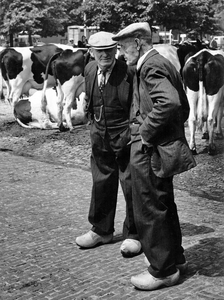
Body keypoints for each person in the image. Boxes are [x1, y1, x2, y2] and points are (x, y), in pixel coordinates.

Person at [112, 22, 196, 290]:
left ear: (137, 43)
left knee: (149, 209)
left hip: (149, 149)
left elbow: (169, 102)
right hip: (158, 148)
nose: (121, 53)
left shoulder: (150, 65)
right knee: (163, 206)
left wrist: (146, 133)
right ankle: (176, 260)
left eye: (123, 47)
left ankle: (162, 271)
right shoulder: (160, 61)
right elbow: (182, 106)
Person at [75, 31, 141, 257]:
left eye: (108, 51)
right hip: (99, 135)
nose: (104, 55)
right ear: (91, 52)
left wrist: (131, 132)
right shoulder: (90, 69)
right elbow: (90, 100)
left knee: (131, 183)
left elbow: (137, 107)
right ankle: (101, 230)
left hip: (125, 136)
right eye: (99, 51)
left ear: (116, 50)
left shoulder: (129, 73)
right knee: (101, 181)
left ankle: (134, 234)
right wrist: (92, 124)